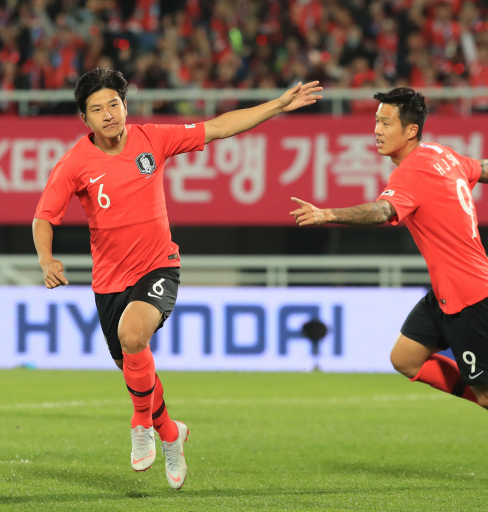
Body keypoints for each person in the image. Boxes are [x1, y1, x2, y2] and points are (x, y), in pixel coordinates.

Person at [32, 68, 322, 489]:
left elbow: (220, 126)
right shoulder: (76, 163)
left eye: (114, 104)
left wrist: (278, 104)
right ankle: (170, 432)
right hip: (110, 282)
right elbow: (44, 216)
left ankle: (140, 426)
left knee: (134, 337)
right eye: (97, 109)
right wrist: (46, 259)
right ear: (85, 119)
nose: (109, 114)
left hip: (158, 265)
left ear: (125, 105)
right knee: (132, 364)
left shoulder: (153, 139)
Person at [289, 87, 488, 481]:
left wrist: (328, 213)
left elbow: (383, 210)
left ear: (410, 130)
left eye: (385, 122)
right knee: (405, 358)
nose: (376, 130)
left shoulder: (411, 171)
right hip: (449, 290)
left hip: (472, 297)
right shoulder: (440, 154)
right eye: (376, 120)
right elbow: (481, 168)